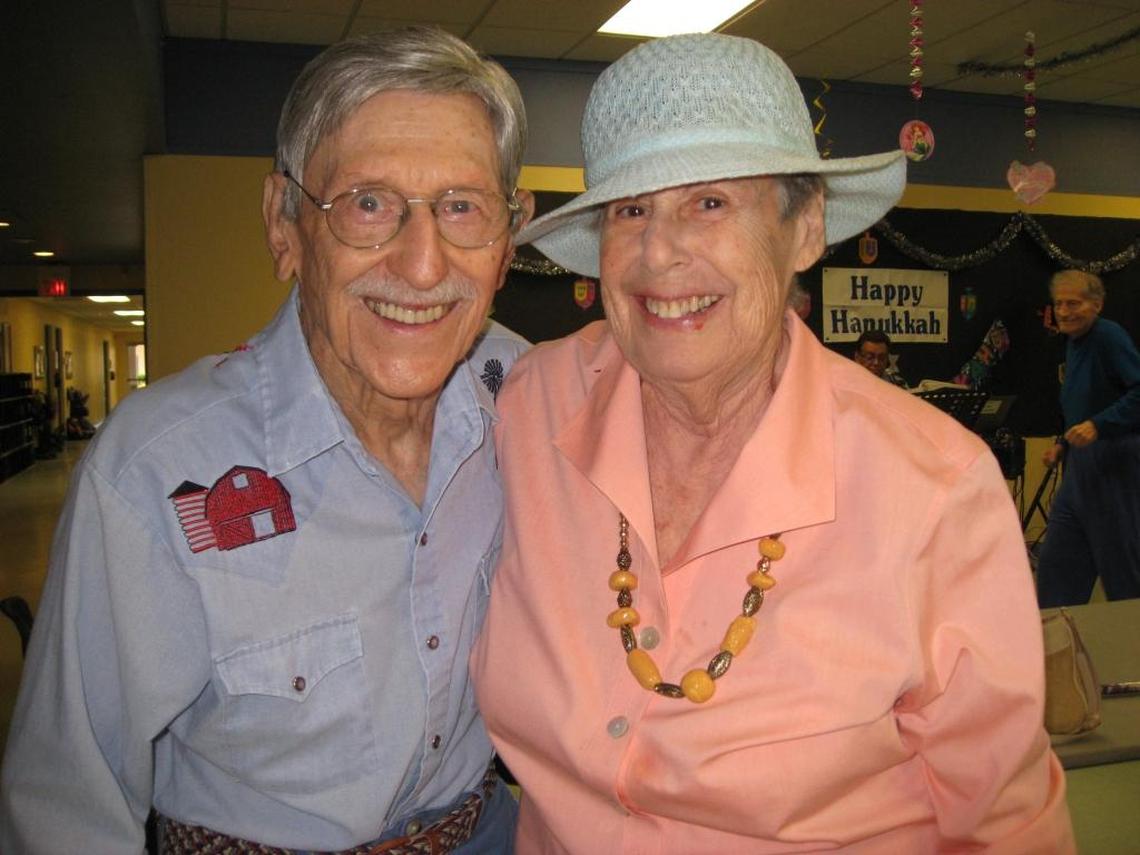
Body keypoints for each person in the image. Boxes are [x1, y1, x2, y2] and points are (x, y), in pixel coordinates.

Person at [471, 33, 1073, 852]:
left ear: (804, 230)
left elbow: (1006, 820)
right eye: (631, 210)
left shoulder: (931, 488)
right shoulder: (529, 407)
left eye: (709, 203)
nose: (659, 252)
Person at [1, 27, 533, 853]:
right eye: (368, 202)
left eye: (462, 207)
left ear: (508, 239)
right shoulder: (157, 470)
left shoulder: (535, 399)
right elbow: (68, 798)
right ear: (285, 223)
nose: (424, 265)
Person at [1036, 269, 1140, 606]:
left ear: (1097, 304)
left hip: (1113, 462)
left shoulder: (1108, 337)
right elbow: (1084, 401)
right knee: (1057, 563)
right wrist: (1062, 443)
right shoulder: (1073, 342)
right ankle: (1056, 642)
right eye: (1059, 303)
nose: (1064, 311)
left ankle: (1130, 643)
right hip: (1080, 467)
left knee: (1121, 568)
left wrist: (1100, 425)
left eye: (1074, 303)